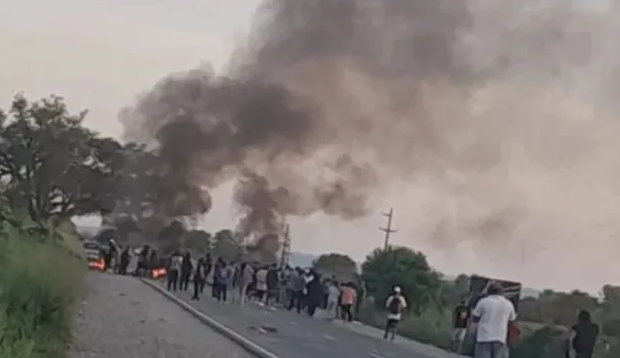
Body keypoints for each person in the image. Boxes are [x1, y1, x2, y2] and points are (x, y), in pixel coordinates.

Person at [471, 282, 516, 358]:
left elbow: (475, 318)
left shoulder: (483, 302)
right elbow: (511, 320)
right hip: (500, 338)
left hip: (484, 337)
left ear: (489, 291)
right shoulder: (508, 304)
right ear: (502, 292)